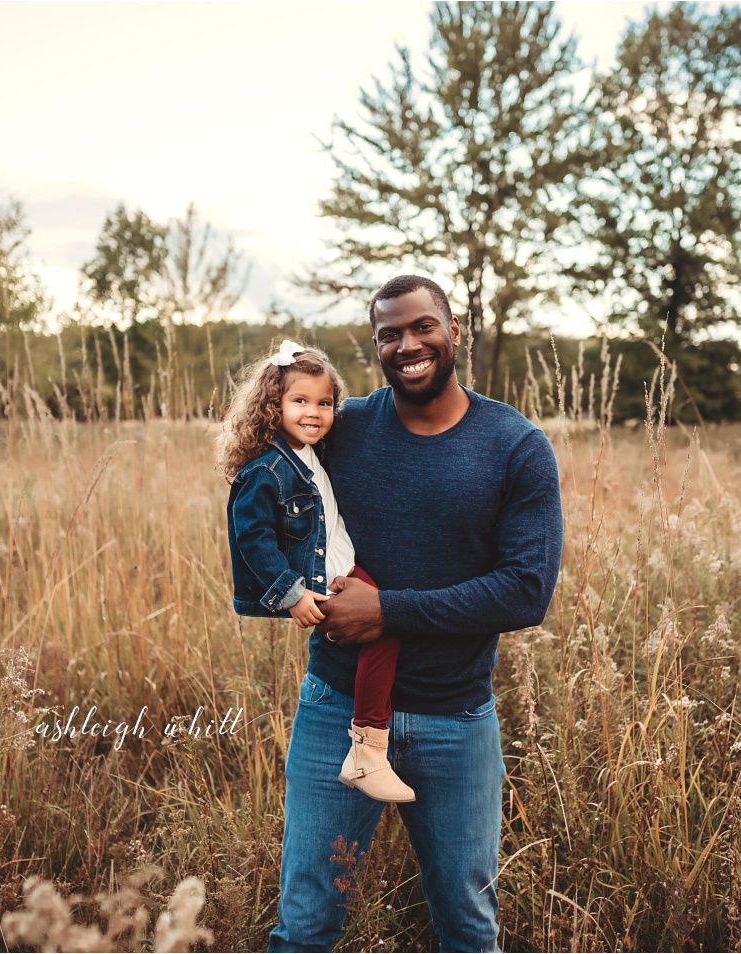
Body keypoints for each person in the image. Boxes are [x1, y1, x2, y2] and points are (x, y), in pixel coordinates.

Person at [268, 275, 563, 953]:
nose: (408, 345)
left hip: (454, 719)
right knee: (306, 924)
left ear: (454, 330)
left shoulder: (514, 446)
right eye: (389, 334)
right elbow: (274, 488)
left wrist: (387, 611)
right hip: (334, 710)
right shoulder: (343, 432)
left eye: (422, 326)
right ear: (376, 347)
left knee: (466, 926)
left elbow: (526, 591)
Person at [220, 340, 417, 804]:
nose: (314, 412)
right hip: (319, 584)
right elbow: (253, 539)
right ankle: (368, 750)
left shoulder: (310, 454)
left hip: (343, 568)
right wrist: (292, 593)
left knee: (392, 616)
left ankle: (371, 743)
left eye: (325, 403)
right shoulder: (266, 470)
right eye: (300, 401)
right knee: (385, 628)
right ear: (274, 405)